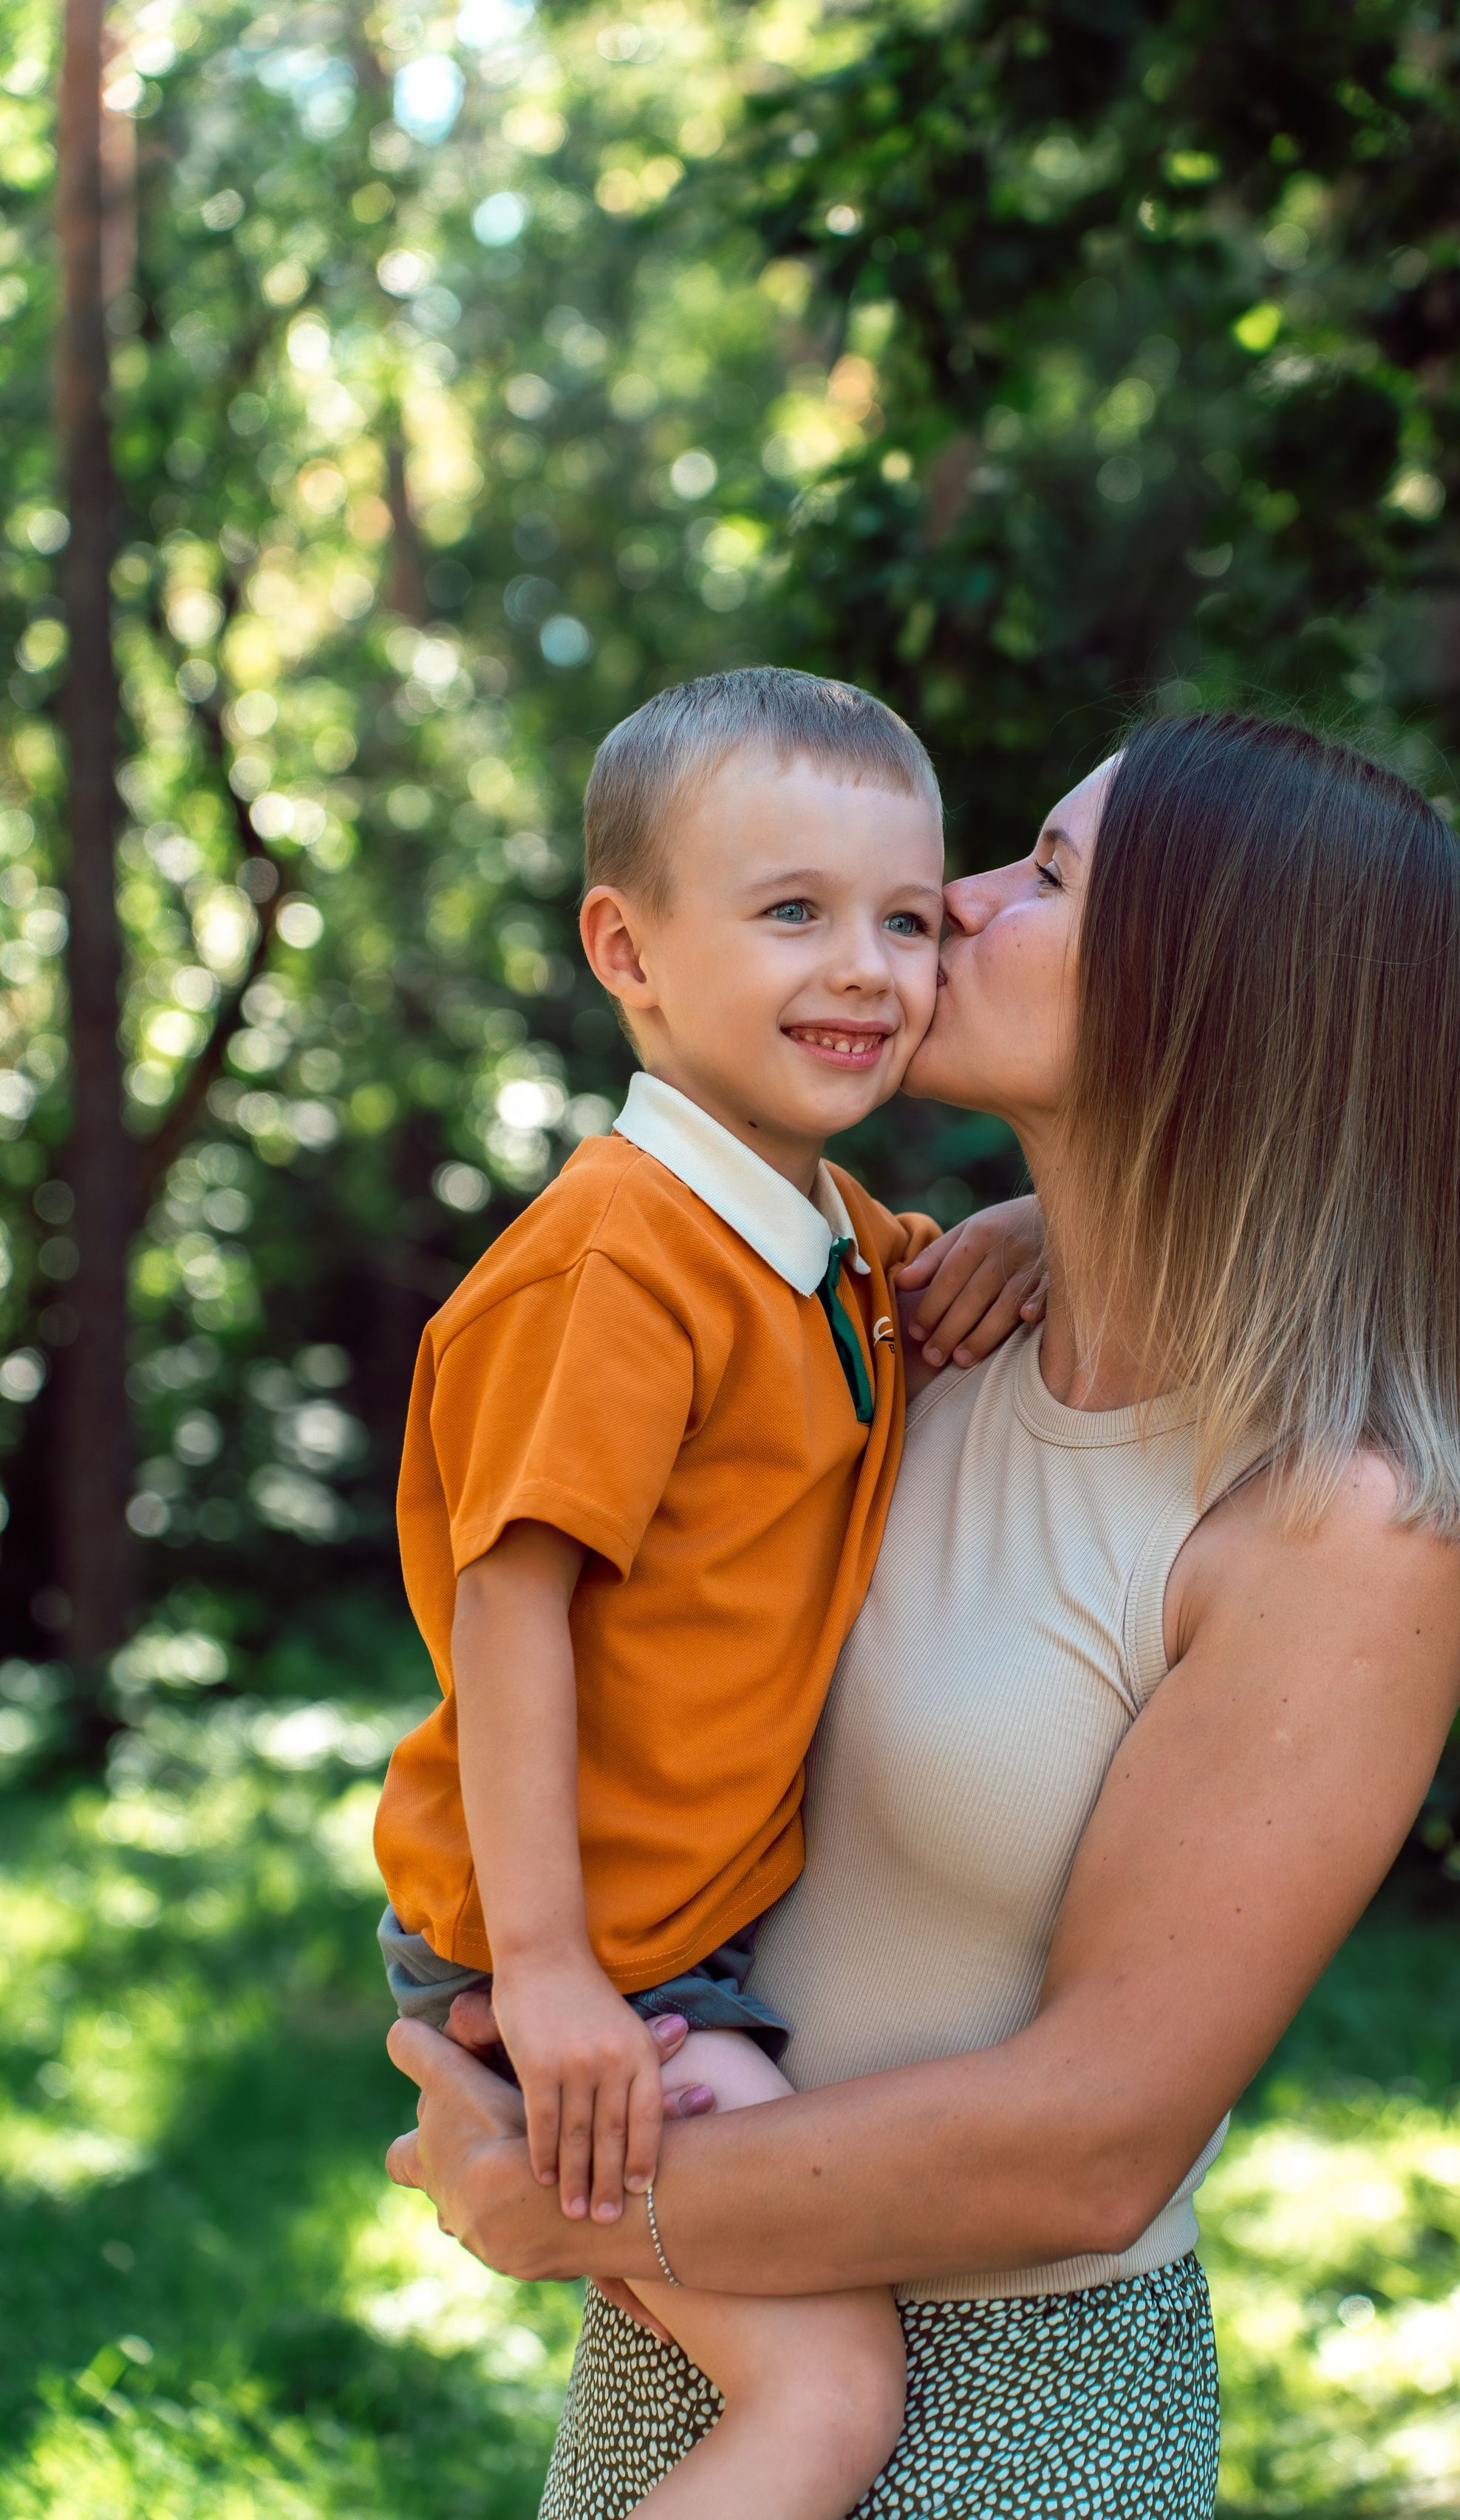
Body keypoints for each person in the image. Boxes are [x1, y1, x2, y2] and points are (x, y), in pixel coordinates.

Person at [387, 711, 1460, 2517]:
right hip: (698, 2319)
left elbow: (1093, 2144)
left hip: (1013, 2404)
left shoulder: (1340, 1528)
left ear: (1206, 994)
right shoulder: (887, 1332)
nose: (954, 906)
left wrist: (574, 2194)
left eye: (1048, 878)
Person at [372, 667, 1047, 2519]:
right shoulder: (611, 1264)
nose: (866, 966)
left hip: (663, 1940)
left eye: (904, 919)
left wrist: (1028, 1223)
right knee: (826, 2397)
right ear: (628, 948)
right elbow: (509, 1617)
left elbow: (942, 1308)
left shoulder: (823, 1242)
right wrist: (552, 1972)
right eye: (789, 911)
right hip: (579, 1955)